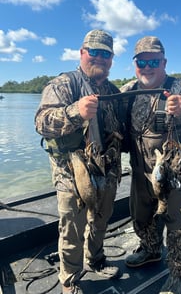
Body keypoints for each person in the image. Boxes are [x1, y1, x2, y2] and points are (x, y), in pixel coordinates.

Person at [120, 36, 181, 294]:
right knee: (142, 216)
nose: (147, 67)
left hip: (177, 176)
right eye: (142, 61)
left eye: (153, 61)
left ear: (164, 62)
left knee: (179, 227)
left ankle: (180, 274)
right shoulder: (128, 91)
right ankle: (150, 251)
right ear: (134, 64)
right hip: (142, 172)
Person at [35, 30, 125, 294]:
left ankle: (95, 260)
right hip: (70, 172)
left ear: (111, 59)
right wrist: (76, 112)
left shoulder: (112, 90)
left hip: (107, 169)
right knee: (72, 228)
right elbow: (42, 122)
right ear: (82, 53)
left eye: (105, 54)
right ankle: (70, 280)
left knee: (101, 219)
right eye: (94, 52)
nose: (100, 58)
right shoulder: (63, 84)